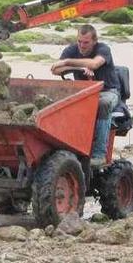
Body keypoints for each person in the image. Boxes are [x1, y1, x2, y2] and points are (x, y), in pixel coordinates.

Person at [51, 24, 120, 168]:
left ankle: (99, 154)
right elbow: (55, 69)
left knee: (103, 104)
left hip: (107, 91)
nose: (82, 46)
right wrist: (79, 68)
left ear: (94, 41)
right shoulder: (71, 50)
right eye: (79, 42)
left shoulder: (103, 49)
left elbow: (95, 64)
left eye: (86, 42)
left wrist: (67, 61)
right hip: (83, 92)